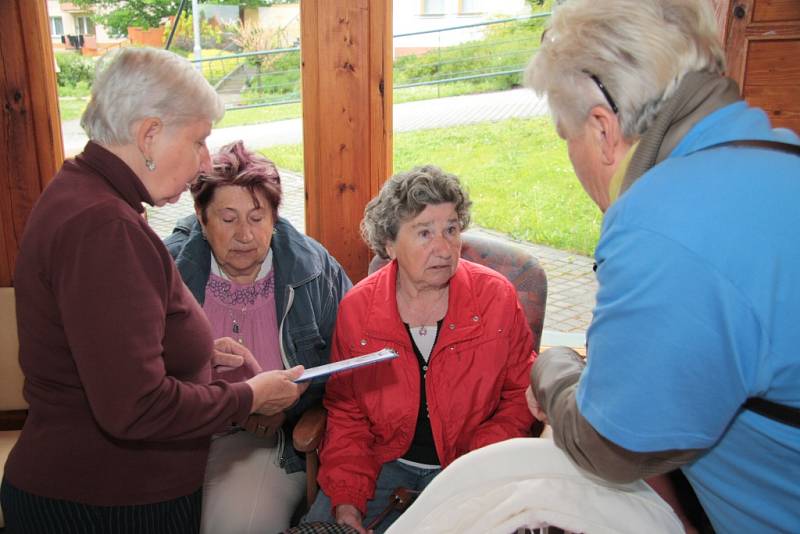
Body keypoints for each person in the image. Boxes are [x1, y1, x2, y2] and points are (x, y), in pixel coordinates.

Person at [0, 47, 309, 534]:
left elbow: (102, 348)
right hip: (104, 504)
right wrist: (248, 396)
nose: (205, 160)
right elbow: (136, 407)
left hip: (99, 491)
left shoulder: (81, 192)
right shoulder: (104, 226)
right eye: (198, 141)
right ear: (149, 134)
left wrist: (192, 353)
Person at [524, 0, 800, 531]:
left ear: (603, 129)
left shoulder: (660, 223)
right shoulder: (774, 151)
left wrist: (552, 368)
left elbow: (610, 446)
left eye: (567, 137)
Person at [304, 165, 537, 533]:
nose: (444, 248)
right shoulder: (358, 309)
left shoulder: (496, 297)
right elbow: (348, 414)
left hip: (470, 465)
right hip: (382, 464)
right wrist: (347, 499)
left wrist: (478, 460)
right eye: (424, 233)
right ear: (390, 243)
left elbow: (520, 394)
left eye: (451, 229)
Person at [164, 140, 352, 533]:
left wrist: (286, 408)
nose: (245, 235)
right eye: (228, 218)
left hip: (265, 440)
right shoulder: (168, 269)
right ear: (201, 218)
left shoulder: (314, 272)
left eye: (257, 216)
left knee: (238, 524)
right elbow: (139, 370)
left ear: (275, 218)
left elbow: (344, 371)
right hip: (177, 433)